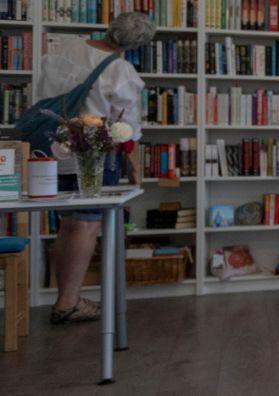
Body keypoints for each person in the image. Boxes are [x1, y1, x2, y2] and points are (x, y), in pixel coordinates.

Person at [32, 12, 151, 324]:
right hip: (94, 155)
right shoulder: (120, 69)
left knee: (68, 223)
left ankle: (64, 298)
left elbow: (42, 95)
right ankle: (68, 302)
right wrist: (135, 165)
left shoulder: (65, 48)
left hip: (54, 148)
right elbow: (127, 127)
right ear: (136, 45)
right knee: (87, 224)